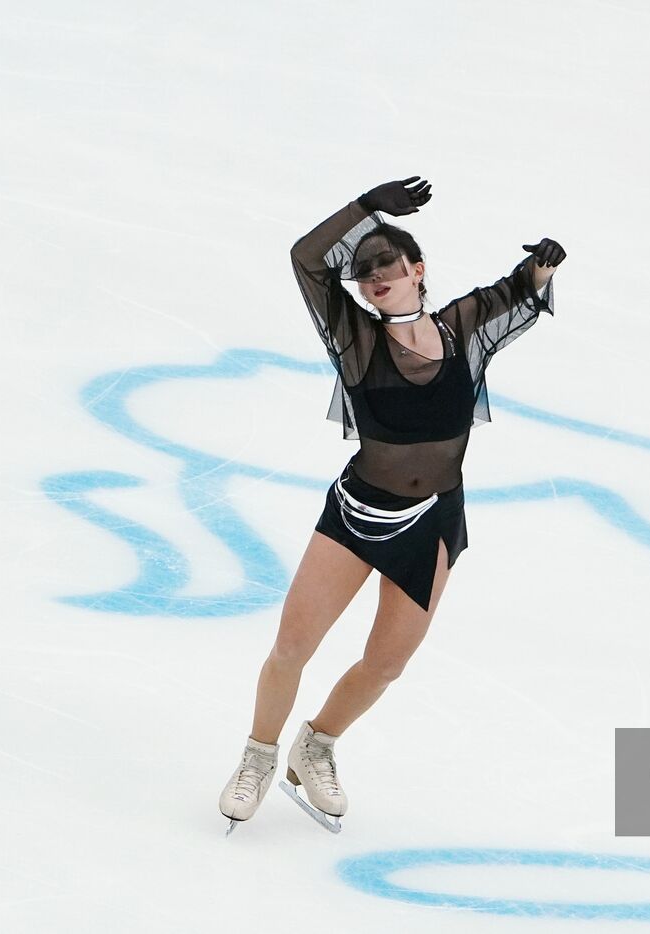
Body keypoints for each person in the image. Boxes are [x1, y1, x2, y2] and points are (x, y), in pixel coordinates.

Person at [219, 176, 564, 833]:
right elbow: (306, 259)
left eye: (388, 263)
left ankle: (316, 744)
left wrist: (543, 266)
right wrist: (366, 209)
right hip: (356, 515)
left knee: (387, 664)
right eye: (365, 269)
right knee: (292, 646)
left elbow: (517, 292)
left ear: (417, 270)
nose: (375, 275)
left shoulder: (464, 330)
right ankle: (258, 756)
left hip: (433, 520)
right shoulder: (356, 338)